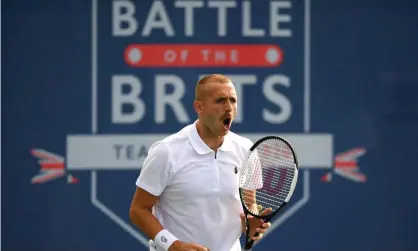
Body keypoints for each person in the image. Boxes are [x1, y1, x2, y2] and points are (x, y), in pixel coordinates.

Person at [129, 74, 271, 251]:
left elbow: (249, 205)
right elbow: (138, 209)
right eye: (220, 100)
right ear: (199, 107)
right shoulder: (166, 151)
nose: (228, 107)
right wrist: (173, 245)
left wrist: (251, 224)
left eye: (233, 100)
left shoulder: (246, 149)